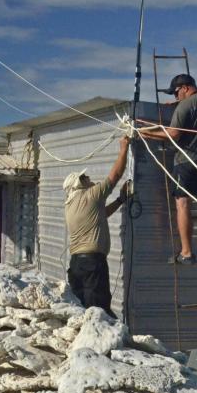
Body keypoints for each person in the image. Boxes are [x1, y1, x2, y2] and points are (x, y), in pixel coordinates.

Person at [138, 74, 197, 265]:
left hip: (186, 162)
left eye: (176, 93)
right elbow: (196, 110)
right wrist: (179, 105)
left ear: (185, 87)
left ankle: (186, 252)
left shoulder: (184, 107)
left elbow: (174, 134)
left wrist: (146, 133)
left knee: (182, 204)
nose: (176, 97)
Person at [63, 136, 130, 318]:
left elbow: (100, 215)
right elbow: (115, 176)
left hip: (77, 264)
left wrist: (119, 200)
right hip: (93, 263)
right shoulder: (91, 195)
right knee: (98, 312)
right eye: (84, 178)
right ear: (78, 184)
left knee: (83, 309)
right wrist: (124, 148)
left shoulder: (71, 204)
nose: (89, 178)